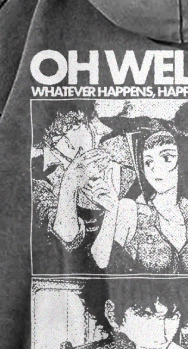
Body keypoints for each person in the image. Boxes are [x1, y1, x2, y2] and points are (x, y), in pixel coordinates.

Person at [90, 121, 188, 274]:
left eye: (166, 158)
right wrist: (111, 212)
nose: (154, 168)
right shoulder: (130, 209)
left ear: (186, 161)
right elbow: (100, 260)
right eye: (148, 162)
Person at [31, 103, 132, 272]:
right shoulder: (42, 182)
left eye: (76, 126)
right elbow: (67, 237)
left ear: (90, 125)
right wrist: (69, 184)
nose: (70, 140)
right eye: (58, 137)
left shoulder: (122, 169)